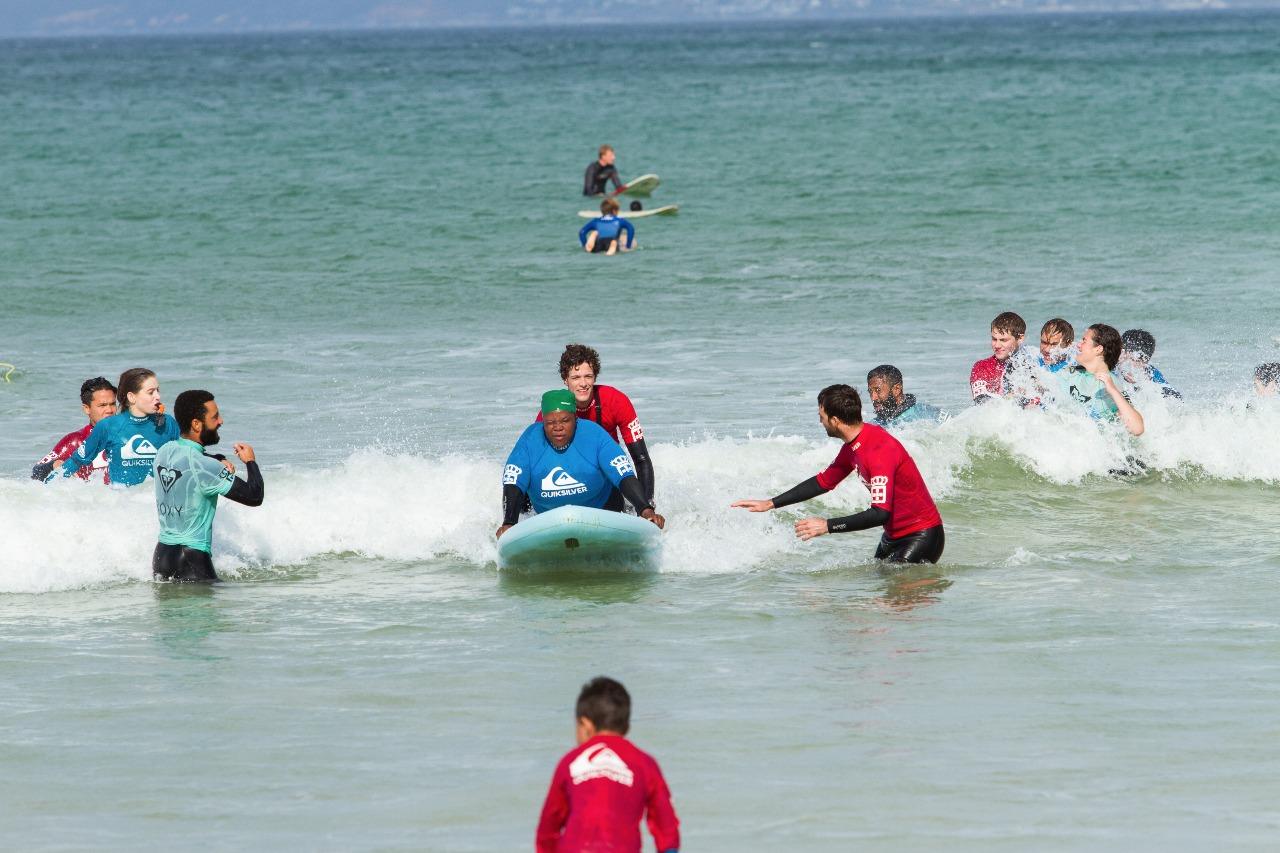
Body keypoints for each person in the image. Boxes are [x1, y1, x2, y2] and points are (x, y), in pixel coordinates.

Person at [732, 384, 945, 564]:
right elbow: (823, 482)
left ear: (835, 420)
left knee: (895, 607)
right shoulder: (854, 446)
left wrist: (827, 526)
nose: (820, 422)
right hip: (892, 537)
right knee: (880, 599)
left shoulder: (878, 450)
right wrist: (770, 503)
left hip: (921, 536)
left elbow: (880, 513)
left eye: (822, 417)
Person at [536, 676, 680, 853]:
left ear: (585, 724)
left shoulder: (570, 762)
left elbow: (548, 827)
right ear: (626, 727)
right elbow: (666, 827)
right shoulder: (645, 763)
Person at [498, 391, 663, 539]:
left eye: (565, 420)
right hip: (547, 516)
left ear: (575, 419)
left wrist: (645, 509)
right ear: (543, 422)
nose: (557, 427)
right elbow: (513, 480)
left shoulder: (594, 434)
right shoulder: (530, 440)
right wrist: (509, 523)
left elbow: (623, 473)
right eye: (550, 422)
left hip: (604, 509)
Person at [152, 390, 264, 582]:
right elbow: (254, 496)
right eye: (215, 417)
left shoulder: (164, 451)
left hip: (162, 555)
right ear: (196, 424)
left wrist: (218, 459)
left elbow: (192, 461)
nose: (220, 421)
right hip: (190, 558)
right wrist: (250, 462)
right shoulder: (204, 467)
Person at [536, 344, 656, 509]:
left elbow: (641, 460)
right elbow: (537, 463)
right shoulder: (552, 411)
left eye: (588, 376)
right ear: (565, 379)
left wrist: (646, 506)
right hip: (569, 477)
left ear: (595, 377)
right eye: (576, 377)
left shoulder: (616, 401)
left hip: (607, 476)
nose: (583, 383)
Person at [55, 367, 180, 486]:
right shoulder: (108, 426)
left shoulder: (168, 423)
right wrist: (43, 493)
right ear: (132, 397)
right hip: (123, 504)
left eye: (157, 391)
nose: (158, 396)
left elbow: (187, 459)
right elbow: (76, 461)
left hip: (159, 504)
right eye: (150, 392)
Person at [1051, 324, 1145, 436]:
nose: (1078, 345)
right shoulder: (1069, 373)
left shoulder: (1110, 385)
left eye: (1084, 341)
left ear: (1098, 349)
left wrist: (1114, 392)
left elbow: (1137, 429)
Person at [32, 376, 117, 483]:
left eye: (112, 404)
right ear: (86, 408)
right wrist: (54, 465)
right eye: (102, 405)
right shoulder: (75, 441)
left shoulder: (129, 436)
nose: (109, 410)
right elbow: (36, 473)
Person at [970, 312, 1037, 405]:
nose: (997, 345)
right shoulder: (982, 367)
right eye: (994, 339)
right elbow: (982, 402)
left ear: (1020, 338)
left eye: (1003, 340)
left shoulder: (1033, 364)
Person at [866, 365, 947, 427]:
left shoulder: (928, 415)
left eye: (878, 390)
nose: (873, 398)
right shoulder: (873, 425)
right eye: (870, 392)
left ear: (897, 389)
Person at [1119, 329, 1182, 399]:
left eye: (1138, 361)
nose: (1133, 364)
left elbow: (1176, 396)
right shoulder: (1111, 369)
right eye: (1130, 359)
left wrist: (1143, 385)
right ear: (1120, 354)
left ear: (1146, 361)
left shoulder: (1150, 372)